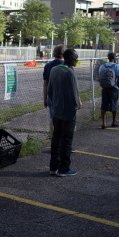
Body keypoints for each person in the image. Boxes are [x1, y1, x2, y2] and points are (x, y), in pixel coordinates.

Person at [47, 49, 82, 177]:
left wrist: (55, 103)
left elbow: (49, 91)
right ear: (70, 57)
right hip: (68, 112)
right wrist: (76, 105)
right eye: (76, 57)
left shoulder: (54, 70)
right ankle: (64, 168)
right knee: (67, 140)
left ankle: (53, 166)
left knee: (56, 139)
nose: (77, 59)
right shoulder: (70, 72)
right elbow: (74, 94)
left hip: (56, 111)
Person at [43, 44, 65, 138]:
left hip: (51, 96)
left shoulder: (48, 66)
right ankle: (63, 142)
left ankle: (53, 141)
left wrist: (45, 99)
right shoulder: (66, 66)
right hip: (64, 96)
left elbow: (45, 84)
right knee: (64, 119)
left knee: (52, 118)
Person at [100, 52, 119, 129]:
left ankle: (104, 123)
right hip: (114, 88)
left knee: (104, 105)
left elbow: (100, 77)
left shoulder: (102, 66)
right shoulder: (117, 66)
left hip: (105, 88)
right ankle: (113, 121)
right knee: (114, 105)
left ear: (108, 58)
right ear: (114, 58)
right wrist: (118, 87)